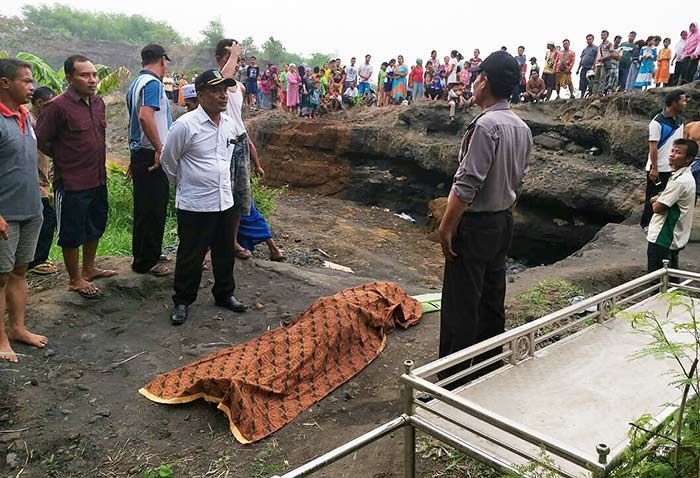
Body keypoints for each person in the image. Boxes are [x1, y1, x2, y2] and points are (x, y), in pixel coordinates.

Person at [437, 51, 531, 383]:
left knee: (462, 301)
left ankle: (454, 378)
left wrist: (446, 227)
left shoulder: (486, 125)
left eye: (476, 77)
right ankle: (489, 367)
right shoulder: (521, 127)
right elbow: (518, 177)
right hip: (502, 220)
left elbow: (467, 185)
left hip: (476, 225)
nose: (473, 83)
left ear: (485, 81)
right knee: (492, 298)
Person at [161, 70, 247, 326]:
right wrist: (188, 184)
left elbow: (227, 159)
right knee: (191, 254)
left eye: (225, 90)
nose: (223, 96)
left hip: (224, 199)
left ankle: (224, 294)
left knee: (224, 251)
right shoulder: (186, 125)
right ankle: (182, 301)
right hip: (195, 202)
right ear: (200, 95)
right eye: (216, 90)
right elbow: (168, 161)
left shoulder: (229, 124)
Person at [36, 55, 116, 299]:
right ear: (70, 78)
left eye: (94, 75)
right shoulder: (57, 107)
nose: (92, 80)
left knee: (95, 224)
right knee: (71, 231)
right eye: (85, 75)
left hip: (97, 177)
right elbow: (41, 139)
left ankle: (89, 268)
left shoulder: (99, 103)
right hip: (71, 182)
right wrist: (62, 156)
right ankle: (74, 279)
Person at [0, 59, 49, 362]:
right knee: (0, 277)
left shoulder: (25, 118)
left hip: (31, 209)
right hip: (5, 214)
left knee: (19, 272)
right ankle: (1, 339)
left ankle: (18, 328)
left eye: (32, 81)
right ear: (5, 83)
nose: (32, 86)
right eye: (26, 81)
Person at [126, 44, 173, 278]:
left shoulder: (136, 83)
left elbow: (134, 121)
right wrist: (158, 148)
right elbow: (145, 116)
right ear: (162, 60)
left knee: (146, 207)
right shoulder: (152, 84)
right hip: (150, 154)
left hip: (140, 152)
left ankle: (146, 253)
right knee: (153, 207)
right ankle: (146, 261)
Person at [216, 40, 265, 262]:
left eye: (237, 58)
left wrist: (256, 161)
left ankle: (231, 241)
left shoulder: (241, 88)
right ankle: (211, 245)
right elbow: (222, 78)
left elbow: (239, 123)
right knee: (220, 195)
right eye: (230, 57)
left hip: (240, 143)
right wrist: (234, 53)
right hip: (223, 145)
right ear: (220, 59)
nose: (235, 62)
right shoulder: (217, 83)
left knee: (238, 198)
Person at [647, 139, 698, 272]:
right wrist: (659, 198)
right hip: (672, 237)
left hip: (663, 237)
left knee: (657, 277)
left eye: (678, 153)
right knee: (670, 276)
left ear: (688, 159)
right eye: (672, 151)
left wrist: (655, 200)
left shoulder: (680, 182)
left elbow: (657, 208)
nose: (672, 155)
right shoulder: (682, 177)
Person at [641, 91, 688, 231]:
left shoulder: (679, 120)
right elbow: (653, 147)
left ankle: (660, 222)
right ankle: (646, 223)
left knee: (666, 196)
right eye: (683, 101)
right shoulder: (657, 122)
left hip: (671, 167)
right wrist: (654, 168)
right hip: (658, 167)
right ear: (674, 103)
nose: (685, 103)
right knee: (652, 195)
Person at [27, 87, 58, 276]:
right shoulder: (30, 122)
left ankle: (33, 258)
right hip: (33, 182)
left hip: (41, 181)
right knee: (47, 218)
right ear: (39, 103)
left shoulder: (39, 122)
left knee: (40, 219)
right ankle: (37, 260)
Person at [594, 30, 613, 95]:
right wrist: (594, 64)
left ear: (607, 35)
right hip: (598, 64)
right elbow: (597, 55)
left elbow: (611, 53)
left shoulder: (609, 44)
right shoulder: (600, 45)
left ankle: (600, 93)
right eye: (602, 35)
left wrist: (603, 58)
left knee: (602, 78)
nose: (602, 36)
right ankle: (594, 93)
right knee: (596, 79)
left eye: (604, 34)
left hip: (604, 63)